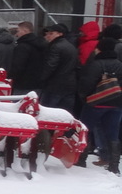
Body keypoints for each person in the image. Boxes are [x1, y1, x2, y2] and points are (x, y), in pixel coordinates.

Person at [77, 36, 122, 173]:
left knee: (85, 129)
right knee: (113, 133)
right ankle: (114, 165)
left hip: (96, 102)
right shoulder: (120, 64)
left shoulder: (96, 64)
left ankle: (81, 159)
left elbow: (87, 83)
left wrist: (85, 97)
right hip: (116, 103)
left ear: (100, 49)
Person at [39, 23, 79, 110]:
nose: (48, 36)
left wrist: (42, 78)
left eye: (51, 33)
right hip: (70, 83)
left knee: (47, 110)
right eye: (47, 34)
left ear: (60, 34)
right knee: (66, 111)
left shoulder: (55, 47)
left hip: (55, 85)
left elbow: (50, 65)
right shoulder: (71, 46)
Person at [9, 21, 47, 95]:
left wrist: (11, 77)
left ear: (25, 31)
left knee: (19, 102)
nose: (17, 34)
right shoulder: (42, 45)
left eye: (18, 31)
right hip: (38, 84)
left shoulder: (22, 47)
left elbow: (17, 66)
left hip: (22, 84)